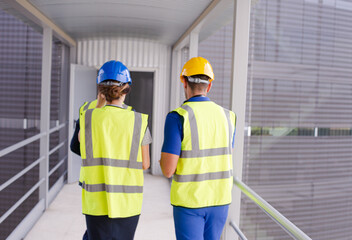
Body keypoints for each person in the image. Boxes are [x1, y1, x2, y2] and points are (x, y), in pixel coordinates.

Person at [160, 57, 236, 240]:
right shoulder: (229, 117)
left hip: (189, 203)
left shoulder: (178, 117)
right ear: (208, 86)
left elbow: (168, 170)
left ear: (184, 82)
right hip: (220, 201)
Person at [77, 60, 151, 240]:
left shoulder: (88, 117)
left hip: (96, 203)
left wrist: (99, 104)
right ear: (126, 89)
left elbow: (79, 143)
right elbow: (145, 164)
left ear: (100, 90)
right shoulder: (138, 121)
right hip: (128, 203)